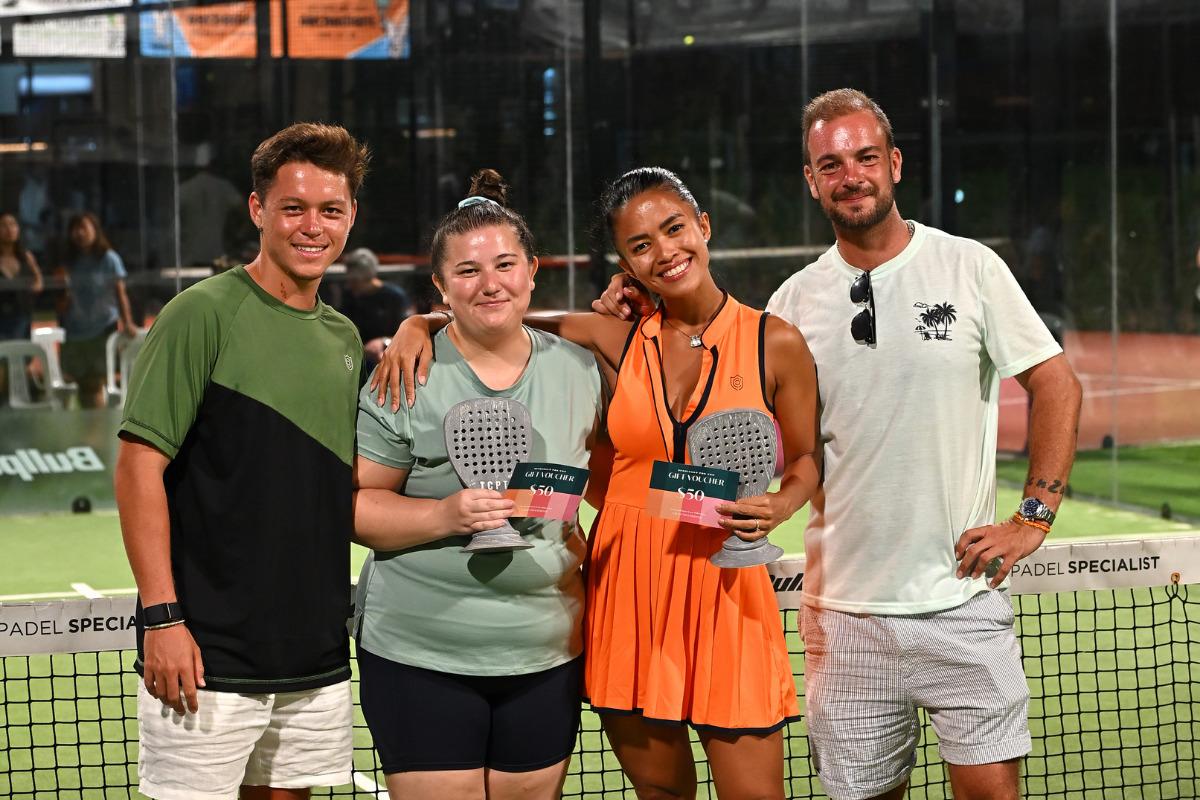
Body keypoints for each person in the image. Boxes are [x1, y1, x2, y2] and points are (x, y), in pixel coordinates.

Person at [596, 89, 1083, 800]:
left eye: (864, 157)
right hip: (843, 616)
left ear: (894, 163)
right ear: (812, 180)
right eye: (831, 163)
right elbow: (753, 430)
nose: (850, 175)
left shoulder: (969, 267)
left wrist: (1033, 516)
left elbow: (1056, 384)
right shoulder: (790, 307)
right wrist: (642, 301)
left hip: (961, 601)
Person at [375, 167, 820, 799]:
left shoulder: (774, 340)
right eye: (641, 246)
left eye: (674, 230)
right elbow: (497, 314)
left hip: (726, 588)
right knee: (661, 794)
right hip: (627, 587)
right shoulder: (613, 336)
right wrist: (417, 324)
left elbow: (805, 458)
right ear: (625, 264)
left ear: (704, 227)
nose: (664, 252)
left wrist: (778, 504)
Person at [113, 122, 369, 800]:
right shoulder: (200, 314)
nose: (312, 226)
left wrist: (421, 327)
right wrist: (162, 619)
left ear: (350, 218)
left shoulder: (344, 338)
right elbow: (138, 465)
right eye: (294, 208)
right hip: (205, 651)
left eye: (330, 210)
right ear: (258, 211)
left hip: (312, 649)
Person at [352, 169, 602, 800]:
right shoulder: (405, 376)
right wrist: (445, 515)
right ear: (440, 286)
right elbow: (353, 507)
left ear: (533, 270)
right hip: (421, 655)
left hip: (548, 653)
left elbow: (602, 487)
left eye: (505, 265)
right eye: (467, 271)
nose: (490, 284)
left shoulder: (579, 370)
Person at [58, 211, 137, 407]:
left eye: (84, 227)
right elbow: (61, 300)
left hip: (102, 328)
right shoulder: (68, 261)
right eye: (75, 229)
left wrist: (127, 322)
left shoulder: (109, 258)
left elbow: (120, 293)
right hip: (75, 330)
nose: (80, 233)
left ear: (95, 230)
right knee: (79, 383)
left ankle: (96, 428)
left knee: (96, 382)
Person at [338, 246, 410, 369]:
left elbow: (408, 334)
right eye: (349, 280)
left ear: (368, 277)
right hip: (355, 358)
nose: (350, 285)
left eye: (355, 281)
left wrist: (383, 342)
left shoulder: (394, 297)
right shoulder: (349, 296)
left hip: (387, 357)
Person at [0, 211, 44, 340]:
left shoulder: (26, 257)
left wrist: (34, 287)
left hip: (22, 315)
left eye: (13, 224)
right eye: (3, 225)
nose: (9, 229)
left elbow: (39, 281)